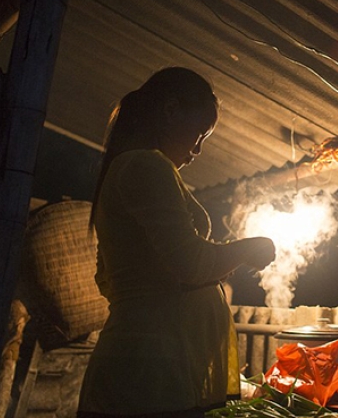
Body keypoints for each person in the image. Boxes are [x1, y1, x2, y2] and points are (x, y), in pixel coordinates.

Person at [77, 67, 276, 418]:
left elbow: (110, 276)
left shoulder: (133, 168)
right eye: (200, 133)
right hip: (148, 376)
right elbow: (190, 263)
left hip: (152, 368)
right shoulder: (146, 165)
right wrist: (247, 248)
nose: (198, 150)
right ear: (170, 111)